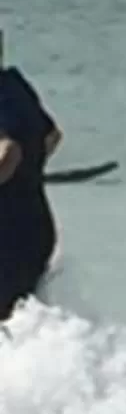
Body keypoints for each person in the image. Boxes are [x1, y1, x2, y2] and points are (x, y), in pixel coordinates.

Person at [0, 29, 62, 322]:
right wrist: (29, 176)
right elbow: (51, 136)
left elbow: (9, 152)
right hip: (36, 228)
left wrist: (16, 172)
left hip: (9, 238)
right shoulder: (15, 86)